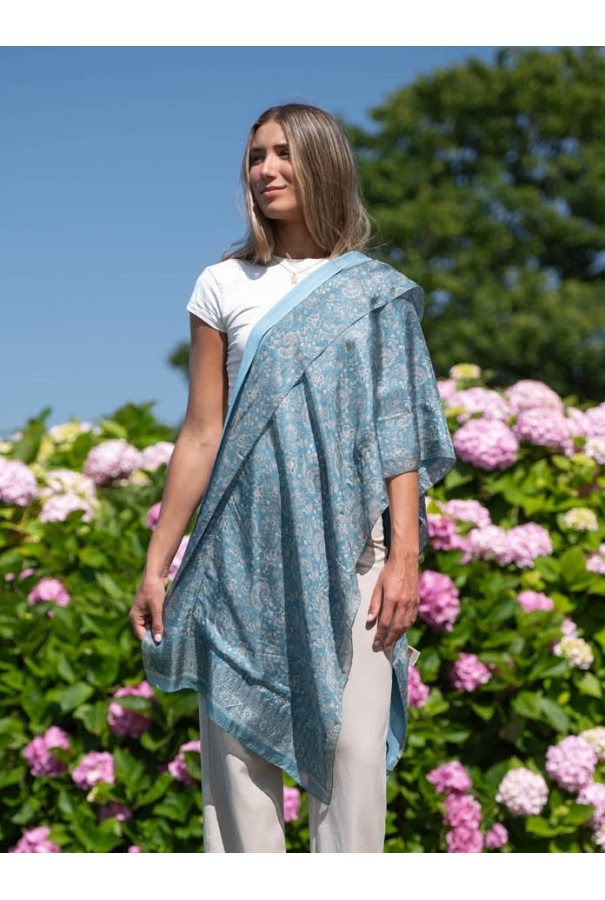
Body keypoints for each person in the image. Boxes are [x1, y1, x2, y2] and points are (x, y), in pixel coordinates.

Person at [129, 103, 455, 853]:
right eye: (256, 157)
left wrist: (405, 557)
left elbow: (398, 432)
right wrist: (157, 563)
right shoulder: (223, 283)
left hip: (354, 556)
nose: (266, 170)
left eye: (283, 153)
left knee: (351, 758)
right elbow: (201, 431)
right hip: (235, 558)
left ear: (323, 164)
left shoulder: (374, 291)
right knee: (238, 778)